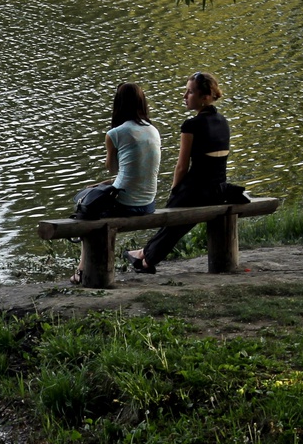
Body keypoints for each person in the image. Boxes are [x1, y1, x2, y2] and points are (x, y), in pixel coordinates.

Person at [126, 71, 229, 274]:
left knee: (174, 216)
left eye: (190, 92)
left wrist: (174, 190)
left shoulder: (191, 125)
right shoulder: (223, 121)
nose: (184, 96)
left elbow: (182, 166)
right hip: (220, 189)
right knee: (177, 225)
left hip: (198, 189)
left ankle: (145, 256)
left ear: (205, 97)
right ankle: (144, 255)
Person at [71, 83, 161, 284]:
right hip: (149, 203)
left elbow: (112, 168)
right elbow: (133, 170)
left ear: (118, 105)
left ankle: (82, 269)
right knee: (96, 192)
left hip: (127, 204)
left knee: (88, 211)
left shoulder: (115, 133)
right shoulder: (153, 130)